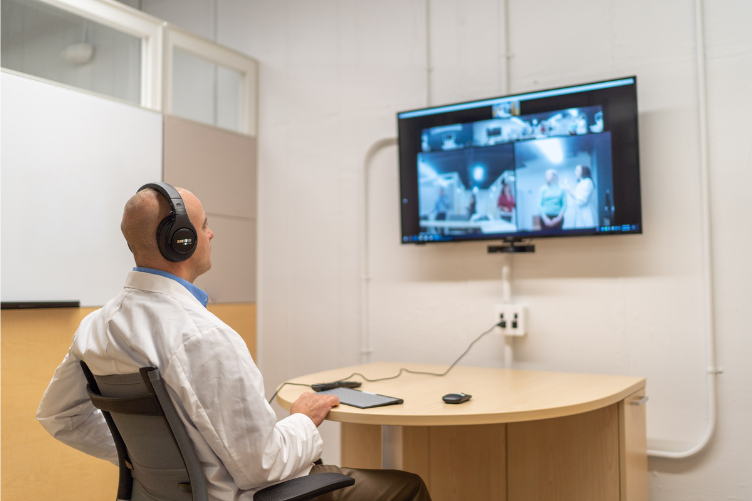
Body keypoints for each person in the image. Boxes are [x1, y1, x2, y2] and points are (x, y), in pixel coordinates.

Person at [36, 184, 431, 501]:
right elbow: (262, 466)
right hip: (249, 494)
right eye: (203, 225)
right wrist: (304, 418)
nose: (211, 233)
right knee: (406, 486)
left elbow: (60, 418)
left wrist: (142, 458)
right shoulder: (203, 335)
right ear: (182, 241)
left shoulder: (95, 328)